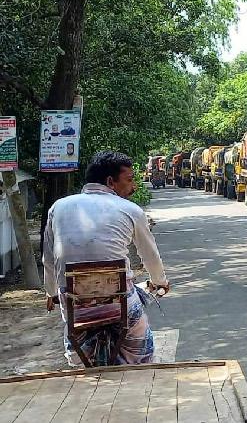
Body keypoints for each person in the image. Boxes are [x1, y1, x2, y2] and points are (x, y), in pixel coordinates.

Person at [43, 151, 171, 366]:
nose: (134, 187)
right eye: (129, 180)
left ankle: (78, 362)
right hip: (120, 304)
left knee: (78, 354)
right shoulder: (130, 209)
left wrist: (50, 292)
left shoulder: (59, 207)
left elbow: (49, 258)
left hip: (76, 305)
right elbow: (150, 255)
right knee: (141, 350)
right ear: (111, 182)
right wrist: (160, 282)